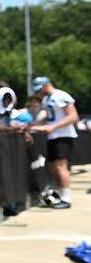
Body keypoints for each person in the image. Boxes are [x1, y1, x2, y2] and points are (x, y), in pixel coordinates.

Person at [31, 75, 80, 208]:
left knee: (61, 167)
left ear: (46, 85)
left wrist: (53, 127)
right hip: (52, 136)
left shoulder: (60, 95)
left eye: (40, 88)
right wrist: (35, 125)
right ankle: (59, 194)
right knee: (53, 168)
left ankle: (67, 198)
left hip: (63, 136)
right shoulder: (46, 99)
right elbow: (49, 116)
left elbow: (73, 116)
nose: (38, 92)